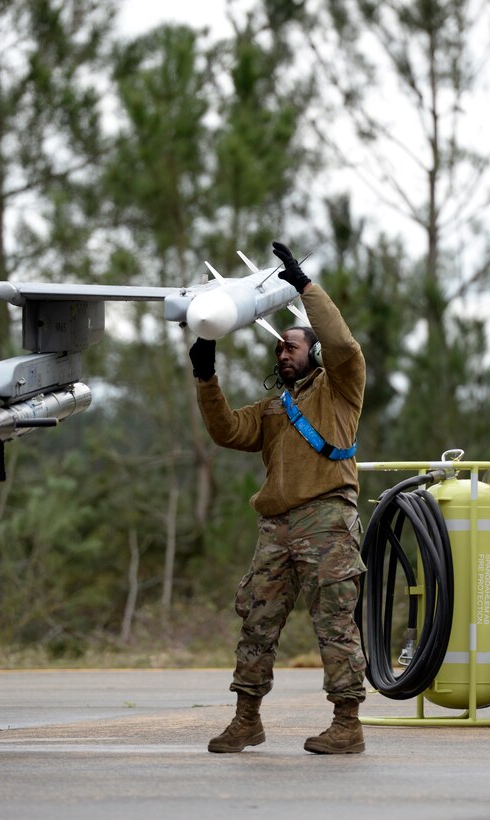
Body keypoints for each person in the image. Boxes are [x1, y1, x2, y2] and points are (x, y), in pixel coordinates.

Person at [188, 240, 367, 755]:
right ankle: (247, 719)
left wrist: (304, 287)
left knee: (334, 621)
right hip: (277, 529)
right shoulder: (273, 409)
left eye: (291, 346)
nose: (281, 353)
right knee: (257, 623)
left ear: (312, 351)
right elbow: (225, 430)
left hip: (327, 520)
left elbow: (344, 345)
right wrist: (206, 376)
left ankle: (347, 724)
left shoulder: (340, 389)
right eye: (278, 348)